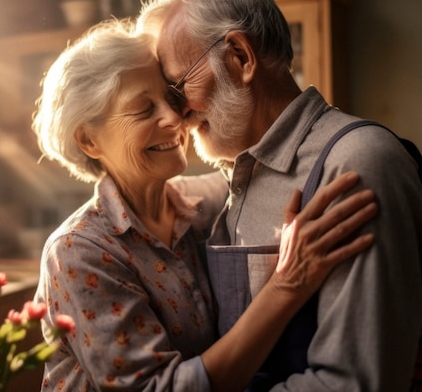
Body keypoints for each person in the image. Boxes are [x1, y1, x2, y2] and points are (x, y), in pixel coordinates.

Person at [31, 20, 377, 391]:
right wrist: (286, 285)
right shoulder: (77, 252)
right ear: (89, 140)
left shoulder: (206, 204)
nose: (174, 118)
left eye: (172, 98)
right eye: (144, 109)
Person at [136, 0, 422, 390]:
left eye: (179, 87)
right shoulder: (239, 174)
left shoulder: (357, 165)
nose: (178, 113)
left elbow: (354, 384)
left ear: (240, 57)